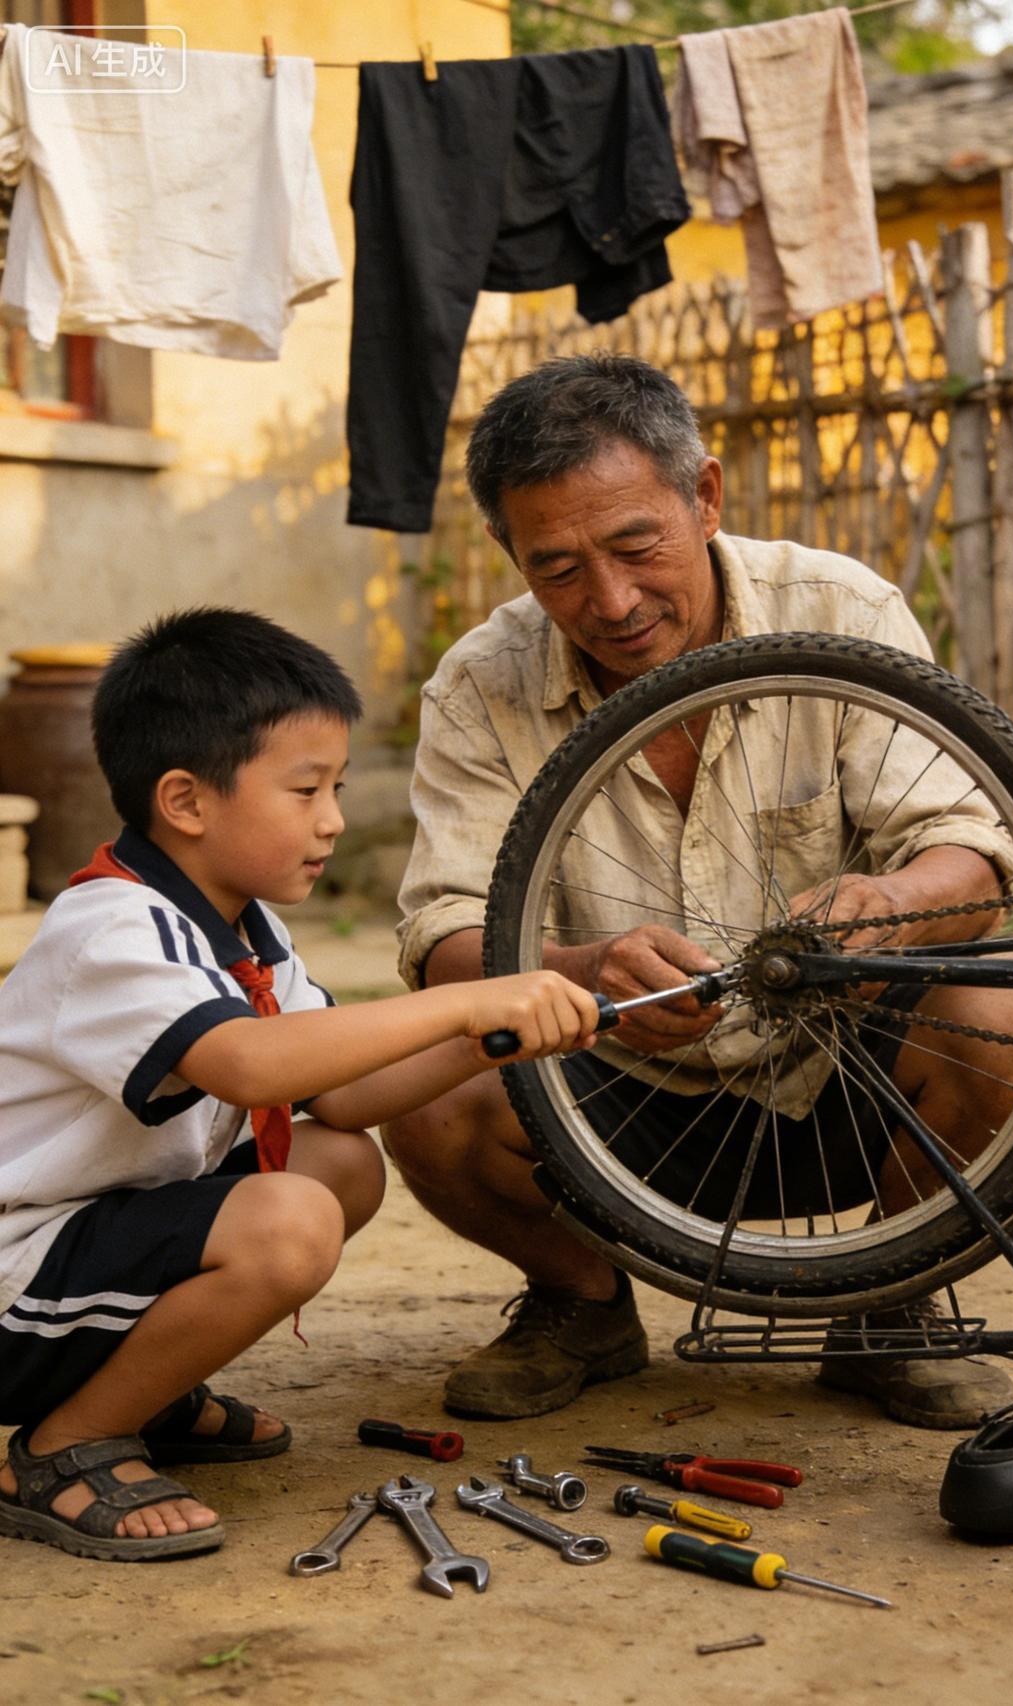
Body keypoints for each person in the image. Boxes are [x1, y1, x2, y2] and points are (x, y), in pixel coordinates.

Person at [388, 353, 1013, 1427]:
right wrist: (585, 976)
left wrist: (883, 906)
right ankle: (580, 1300)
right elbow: (447, 929)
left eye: (636, 544)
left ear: (704, 496)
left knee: (1002, 1016)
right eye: (556, 568)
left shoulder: (836, 610)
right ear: (508, 554)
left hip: (847, 1086)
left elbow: (968, 848)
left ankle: (889, 1304)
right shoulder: (477, 683)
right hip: (601, 1108)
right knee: (418, 1071)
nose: (610, 599)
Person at [0, 608, 601, 1563]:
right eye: (305, 790)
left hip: (89, 1241)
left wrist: (493, 1035)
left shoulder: (236, 924)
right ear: (187, 802)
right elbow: (251, 1063)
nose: (331, 819)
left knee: (338, 1167)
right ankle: (62, 1447)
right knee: (290, 1219)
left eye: (337, 787)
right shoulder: (114, 928)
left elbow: (342, 1096)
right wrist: (463, 999)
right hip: (15, 1283)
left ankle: (143, 1388)